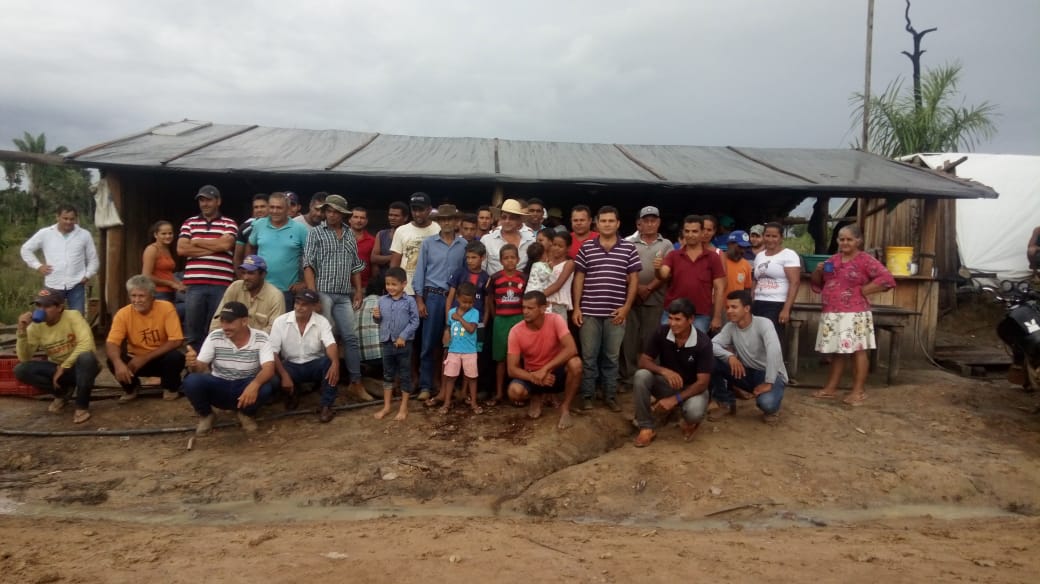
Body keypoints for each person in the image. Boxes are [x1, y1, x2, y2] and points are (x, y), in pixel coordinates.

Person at [810, 225, 896, 406]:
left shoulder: (865, 260)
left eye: (849, 239)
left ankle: (858, 391)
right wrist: (817, 272)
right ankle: (831, 388)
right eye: (841, 239)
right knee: (837, 351)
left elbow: (887, 279)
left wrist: (864, 291)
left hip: (854, 313)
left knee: (858, 350)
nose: (845, 242)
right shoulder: (832, 260)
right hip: (833, 312)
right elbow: (818, 284)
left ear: (858, 241)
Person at [301, 194, 371, 402]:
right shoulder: (316, 233)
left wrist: (358, 290)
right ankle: (326, 384)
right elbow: (308, 264)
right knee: (326, 338)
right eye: (328, 211)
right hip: (323, 292)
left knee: (350, 337)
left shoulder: (349, 234)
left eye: (335, 212)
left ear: (342, 214)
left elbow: (355, 264)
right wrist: (313, 295)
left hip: (344, 293)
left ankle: (355, 383)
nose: (331, 215)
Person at [572, 205, 641, 412]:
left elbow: (634, 281)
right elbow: (579, 279)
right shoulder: (587, 248)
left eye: (611, 221)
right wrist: (577, 308)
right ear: (597, 223)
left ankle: (610, 396)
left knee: (611, 358)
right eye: (603, 221)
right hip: (590, 312)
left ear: (618, 223)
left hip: (616, 314)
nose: (607, 224)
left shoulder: (628, 249)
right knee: (589, 357)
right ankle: (587, 396)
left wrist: (627, 308)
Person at [184, 301, 275, 435]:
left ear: (244, 321)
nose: (224, 326)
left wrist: (255, 384)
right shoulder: (215, 336)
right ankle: (206, 415)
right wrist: (193, 364)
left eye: (230, 322)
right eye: (222, 321)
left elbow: (269, 368)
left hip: (244, 386)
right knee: (192, 380)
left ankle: (246, 413)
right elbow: (200, 368)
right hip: (220, 383)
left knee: (265, 386)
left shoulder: (261, 338)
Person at [632, 298, 713, 447]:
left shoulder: (703, 343)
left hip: (693, 388)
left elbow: (702, 383)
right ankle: (646, 427)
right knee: (641, 376)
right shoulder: (661, 332)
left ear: (691, 320)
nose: (672, 323)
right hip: (669, 384)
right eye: (670, 318)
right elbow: (643, 361)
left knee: (694, 412)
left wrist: (674, 400)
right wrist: (664, 371)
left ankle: (689, 420)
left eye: (678, 319)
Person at [14, 288, 100, 424]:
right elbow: (24, 357)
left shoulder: (73, 316)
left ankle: (82, 407)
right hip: (58, 369)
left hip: (80, 367)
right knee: (21, 369)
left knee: (86, 358)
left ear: (59, 307)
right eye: (38, 305)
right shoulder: (36, 326)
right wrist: (22, 331)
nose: (41, 310)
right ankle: (62, 393)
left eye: (47, 306)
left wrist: (64, 366)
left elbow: (87, 344)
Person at [412, 204, 467, 400]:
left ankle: (450, 386)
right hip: (433, 296)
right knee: (428, 343)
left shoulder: (463, 246)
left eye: (450, 219)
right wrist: (420, 300)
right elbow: (419, 273)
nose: (446, 223)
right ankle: (426, 386)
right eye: (443, 220)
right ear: (439, 222)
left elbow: (465, 275)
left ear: (456, 222)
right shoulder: (428, 243)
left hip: (454, 300)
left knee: (454, 344)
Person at [506, 291, 583, 429]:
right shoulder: (515, 331)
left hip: (554, 373)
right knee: (514, 391)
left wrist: (545, 369)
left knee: (576, 363)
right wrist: (534, 376)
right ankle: (537, 396)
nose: (525, 312)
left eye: (530, 308)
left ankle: (565, 407)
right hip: (532, 374)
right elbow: (512, 369)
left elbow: (572, 348)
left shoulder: (555, 320)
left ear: (543, 308)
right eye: (523, 307)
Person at [105, 275, 185, 403]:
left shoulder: (166, 307)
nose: (137, 300)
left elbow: (176, 340)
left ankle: (170, 388)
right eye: (133, 296)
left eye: (141, 296)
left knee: (175, 357)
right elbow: (112, 342)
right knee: (112, 360)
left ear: (152, 296)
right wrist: (118, 363)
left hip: (160, 358)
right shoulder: (123, 314)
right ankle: (131, 388)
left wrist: (145, 358)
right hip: (135, 361)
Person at [711, 290, 788, 423]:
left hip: (770, 374)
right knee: (711, 361)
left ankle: (771, 407)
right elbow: (711, 345)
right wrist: (729, 356)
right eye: (727, 307)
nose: (729, 311)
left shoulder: (764, 323)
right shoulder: (730, 327)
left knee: (767, 404)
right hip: (746, 372)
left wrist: (769, 382)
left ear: (747, 308)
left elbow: (774, 350)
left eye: (734, 307)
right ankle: (726, 403)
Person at [177, 185, 238, 351]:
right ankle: (194, 366)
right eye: (202, 200)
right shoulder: (190, 222)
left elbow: (226, 243)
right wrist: (215, 246)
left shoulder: (229, 223)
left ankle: (213, 367)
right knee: (193, 329)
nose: (205, 204)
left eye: (209, 200)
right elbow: (182, 249)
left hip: (221, 285)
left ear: (218, 201)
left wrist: (196, 242)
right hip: (195, 284)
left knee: (217, 327)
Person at [269, 289, 340, 423]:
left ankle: (326, 405)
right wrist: (284, 376)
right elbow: (273, 352)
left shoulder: (322, 321)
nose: (299, 307)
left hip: (314, 364)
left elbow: (330, 344)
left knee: (330, 364)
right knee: (273, 371)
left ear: (314, 307)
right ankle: (292, 393)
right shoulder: (281, 321)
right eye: (297, 303)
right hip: (291, 366)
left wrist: (335, 363)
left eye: (304, 305)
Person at [622, 206, 672, 391]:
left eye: (653, 220)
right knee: (630, 339)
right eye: (646, 220)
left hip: (655, 298)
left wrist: (649, 288)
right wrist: (637, 288)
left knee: (651, 339)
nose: (650, 224)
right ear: (639, 224)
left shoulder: (666, 244)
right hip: (631, 298)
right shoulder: (628, 243)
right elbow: (623, 270)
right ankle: (629, 378)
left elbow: (666, 272)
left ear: (658, 222)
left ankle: (650, 378)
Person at [20, 205, 99, 314]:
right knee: (48, 316)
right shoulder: (45, 233)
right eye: (65, 218)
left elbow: (93, 258)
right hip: (53, 284)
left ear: (76, 219)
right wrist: (38, 266)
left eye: (72, 219)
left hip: (76, 284)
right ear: (57, 217)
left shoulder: (84, 235)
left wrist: (87, 275)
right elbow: (26, 249)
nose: (68, 222)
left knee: (77, 317)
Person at [654, 215, 726, 334]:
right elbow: (663, 275)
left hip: (700, 314)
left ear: (702, 232)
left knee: (695, 350)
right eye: (687, 231)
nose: (690, 235)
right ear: (683, 232)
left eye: (694, 231)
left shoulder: (713, 257)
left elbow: (720, 288)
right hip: (672, 313)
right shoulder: (673, 255)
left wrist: (717, 317)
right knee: (667, 348)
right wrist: (657, 269)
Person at [247, 191, 309, 310]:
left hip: (287, 291)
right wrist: (249, 271)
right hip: (261, 288)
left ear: (287, 209)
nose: (274, 211)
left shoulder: (299, 229)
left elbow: (312, 257)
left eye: (279, 208)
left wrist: (304, 283)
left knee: (283, 327)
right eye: (272, 207)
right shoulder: (259, 224)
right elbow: (250, 246)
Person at [373, 267, 420, 421]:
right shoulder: (382, 300)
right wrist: (376, 316)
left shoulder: (410, 301)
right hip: (387, 342)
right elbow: (379, 321)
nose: (391, 287)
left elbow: (415, 321)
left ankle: (403, 407)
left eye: (394, 284)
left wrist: (403, 336)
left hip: (404, 345)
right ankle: (386, 406)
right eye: (388, 284)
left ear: (404, 284)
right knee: (387, 374)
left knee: (405, 374)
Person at [429, 282, 482, 415]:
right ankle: (447, 402)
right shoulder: (451, 312)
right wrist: (446, 335)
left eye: (470, 302)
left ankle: (474, 403)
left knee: (472, 378)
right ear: (457, 298)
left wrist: (459, 318)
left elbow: (471, 329)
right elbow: (448, 327)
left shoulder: (474, 313)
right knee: (450, 377)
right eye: (464, 302)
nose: (467, 305)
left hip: (469, 351)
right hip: (453, 350)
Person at [488, 244, 526, 406]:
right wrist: (495, 316)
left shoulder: (524, 277)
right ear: (501, 260)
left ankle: (519, 393)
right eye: (506, 258)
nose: (510, 261)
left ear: (518, 259)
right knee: (501, 358)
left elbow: (527, 299)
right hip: (501, 321)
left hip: (519, 320)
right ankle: (499, 393)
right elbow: (489, 298)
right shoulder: (495, 278)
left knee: (519, 358)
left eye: (513, 257)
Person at [752, 222, 801, 344]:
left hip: (776, 304)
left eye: (774, 236)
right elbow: (755, 279)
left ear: (781, 238)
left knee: (772, 340)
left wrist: (786, 309)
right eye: (767, 236)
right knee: (756, 339)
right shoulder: (759, 256)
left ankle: (775, 363)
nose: (770, 239)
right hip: (758, 302)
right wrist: (752, 298)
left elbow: (795, 282)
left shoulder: (789, 255)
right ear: (763, 236)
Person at [210, 255, 284, 334]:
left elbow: (274, 330)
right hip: (230, 340)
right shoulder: (235, 287)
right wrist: (214, 337)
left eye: (250, 273)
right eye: (243, 273)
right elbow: (218, 318)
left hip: (261, 344)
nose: (245, 277)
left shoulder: (275, 296)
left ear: (263, 274)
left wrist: (248, 340)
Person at [390, 192, 440, 297]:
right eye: (414, 210)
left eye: (421, 210)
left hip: (431, 289)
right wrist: (394, 288)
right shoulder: (401, 230)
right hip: (406, 290)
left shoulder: (438, 229)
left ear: (429, 209)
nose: (417, 214)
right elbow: (394, 264)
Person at [481, 198, 535, 274]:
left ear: (519, 220)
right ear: (500, 218)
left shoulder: (530, 241)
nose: (507, 221)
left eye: (512, 218)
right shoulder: (487, 240)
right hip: (494, 284)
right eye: (504, 217)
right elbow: (481, 269)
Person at [141, 220, 185, 304]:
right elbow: (146, 276)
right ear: (155, 235)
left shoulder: (167, 248)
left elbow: (166, 273)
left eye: (170, 233)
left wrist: (178, 283)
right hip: (158, 293)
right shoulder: (152, 249)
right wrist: (170, 283)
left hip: (170, 292)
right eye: (163, 234)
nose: (168, 236)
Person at [371, 201, 409, 282]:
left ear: (405, 218)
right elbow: (373, 258)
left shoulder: (410, 235)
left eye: (396, 216)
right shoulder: (381, 234)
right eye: (390, 215)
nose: (392, 218)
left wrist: (383, 259)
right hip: (383, 281)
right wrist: (395, 257)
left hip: (405, 281)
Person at [544, 231, 575, 319]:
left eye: (560, 246)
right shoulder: (546, 262)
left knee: (559, 332)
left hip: (559, 305)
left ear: (568, 248)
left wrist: (537, 296)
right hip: (544, 305)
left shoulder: (569, 264)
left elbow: (558, 285)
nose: (556, 248)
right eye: (554, 245)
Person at [234, 193, 269, 268]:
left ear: (269, 207)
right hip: (252, 274)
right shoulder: (245, 228)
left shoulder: (277, 226)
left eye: (262, 206)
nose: (259, 210)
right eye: (256, 207)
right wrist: (242, 277)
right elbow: (237, 257)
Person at [349, 206, 376, 290]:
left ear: (366, 221)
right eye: (355, 217)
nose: (359, 220)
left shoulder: (373, 241)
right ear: (349, 219)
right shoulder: (339, 237)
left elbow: (374, 265)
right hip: (342, 287)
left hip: (364, 287)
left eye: (362, 218)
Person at [723, 230, 754, 295]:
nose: (743, 251)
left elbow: (747, 288)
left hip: (736, 304)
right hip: (718, 304)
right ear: (730, 244)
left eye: (745, 248)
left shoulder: (746, 264)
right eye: (740, 247)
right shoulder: (718, 260)